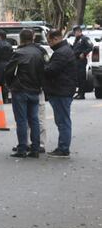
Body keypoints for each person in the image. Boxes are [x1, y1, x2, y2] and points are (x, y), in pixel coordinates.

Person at [4, 29, 45, 158]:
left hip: (20, 90)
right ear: (32, 38)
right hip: (35, 89)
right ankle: (35, 148)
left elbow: (8, 71)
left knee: (21, 120)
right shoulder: (40, 52)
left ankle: (22, 148)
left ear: (20, 39)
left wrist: (11, 85)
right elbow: (45, 71)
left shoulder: (19, 53)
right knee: (34, 120)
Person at [43, 29, 77, 157]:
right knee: (62, 120)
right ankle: (63, 146)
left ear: (56, 38)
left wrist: (43, 66)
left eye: (49, 41)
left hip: (61, 91)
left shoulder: (61, 53)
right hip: (63, 89)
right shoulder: (64, 50)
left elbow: (52, 70)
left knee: (63, 121)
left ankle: (63, 148)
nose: (49, 44)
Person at [71, 26, 93, 99]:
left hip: (81, 61)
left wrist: (84, 53)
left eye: (75, 32)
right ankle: (79, 93)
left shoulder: (84, 38)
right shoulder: (76, 40)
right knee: (77, 77)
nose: (74, 33)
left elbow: (90, 46)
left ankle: (82, 94)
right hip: (76, 60)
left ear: (79, 31)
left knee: (81, 77)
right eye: (74, 32)